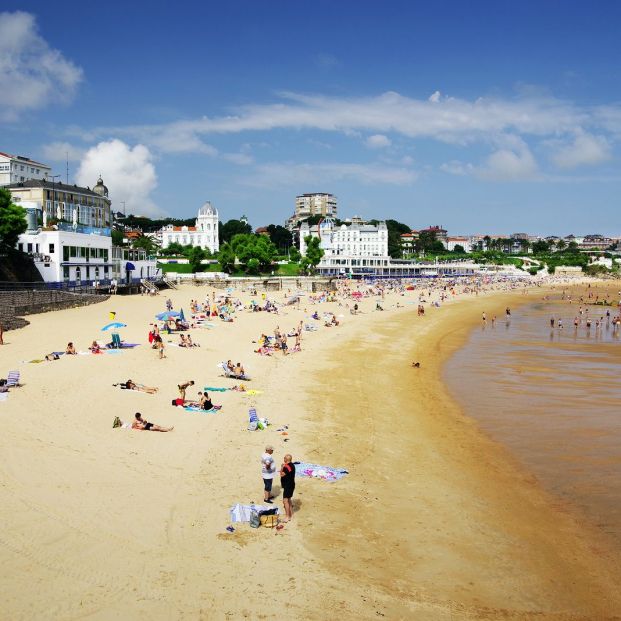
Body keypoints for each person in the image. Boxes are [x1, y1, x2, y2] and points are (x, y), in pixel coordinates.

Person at [280, 454, 296, 521]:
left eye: (284, 458)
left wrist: (282, 468)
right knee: (289, 499)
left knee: (285, 501)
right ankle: (291, 513)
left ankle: (287, 516)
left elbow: (282, 475)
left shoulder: (287, 467)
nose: (283, 458)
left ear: (286, 459)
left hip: (288, 486)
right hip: (291, 484)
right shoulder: (292, 465)